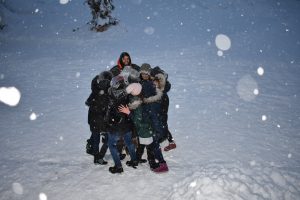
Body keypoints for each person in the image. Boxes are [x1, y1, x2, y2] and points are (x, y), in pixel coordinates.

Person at [118, 83, 169, 173]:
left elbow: (138, 121)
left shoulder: (141, 105)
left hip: (147, 130)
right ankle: (137, 160)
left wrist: (129, 113)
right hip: (152, 128)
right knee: (145, 145)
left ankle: (154, 164)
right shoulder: (151, 97)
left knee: (151, 147)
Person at [139, 63, 169, 172]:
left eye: (146, 73)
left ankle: (162, 163)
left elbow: (165, 88)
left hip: (154, 117)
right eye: (142, 73)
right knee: (152, 142)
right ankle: (160, 162)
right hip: (150, 117)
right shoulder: (143, 83)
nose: (144, 75)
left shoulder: (152, 83)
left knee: (154, 142)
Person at [105, 75, 138, 174]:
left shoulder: (111, 94)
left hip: (116, 126)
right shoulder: (126, 94)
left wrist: (108, 122)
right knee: (129, 143)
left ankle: (118, 166)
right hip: (126, 124)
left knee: (111, 144)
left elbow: (109, 111)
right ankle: (134, 160)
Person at [85, 71, 112, 165]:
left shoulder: (100, 92)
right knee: (100, 139)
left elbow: (88, 102)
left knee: (102, 138)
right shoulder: (98, 92)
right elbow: (89, 103)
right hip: (96, 120)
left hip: (98, 119)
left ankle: (97, 155)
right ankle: (97, 157)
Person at [151, 66, 176, 151]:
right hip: (161, 108)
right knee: (163, 125)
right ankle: (171, 142)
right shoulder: (161, 87)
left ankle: (158, 145)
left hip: (161, 109)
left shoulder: (161, 90)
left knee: (160, 126)